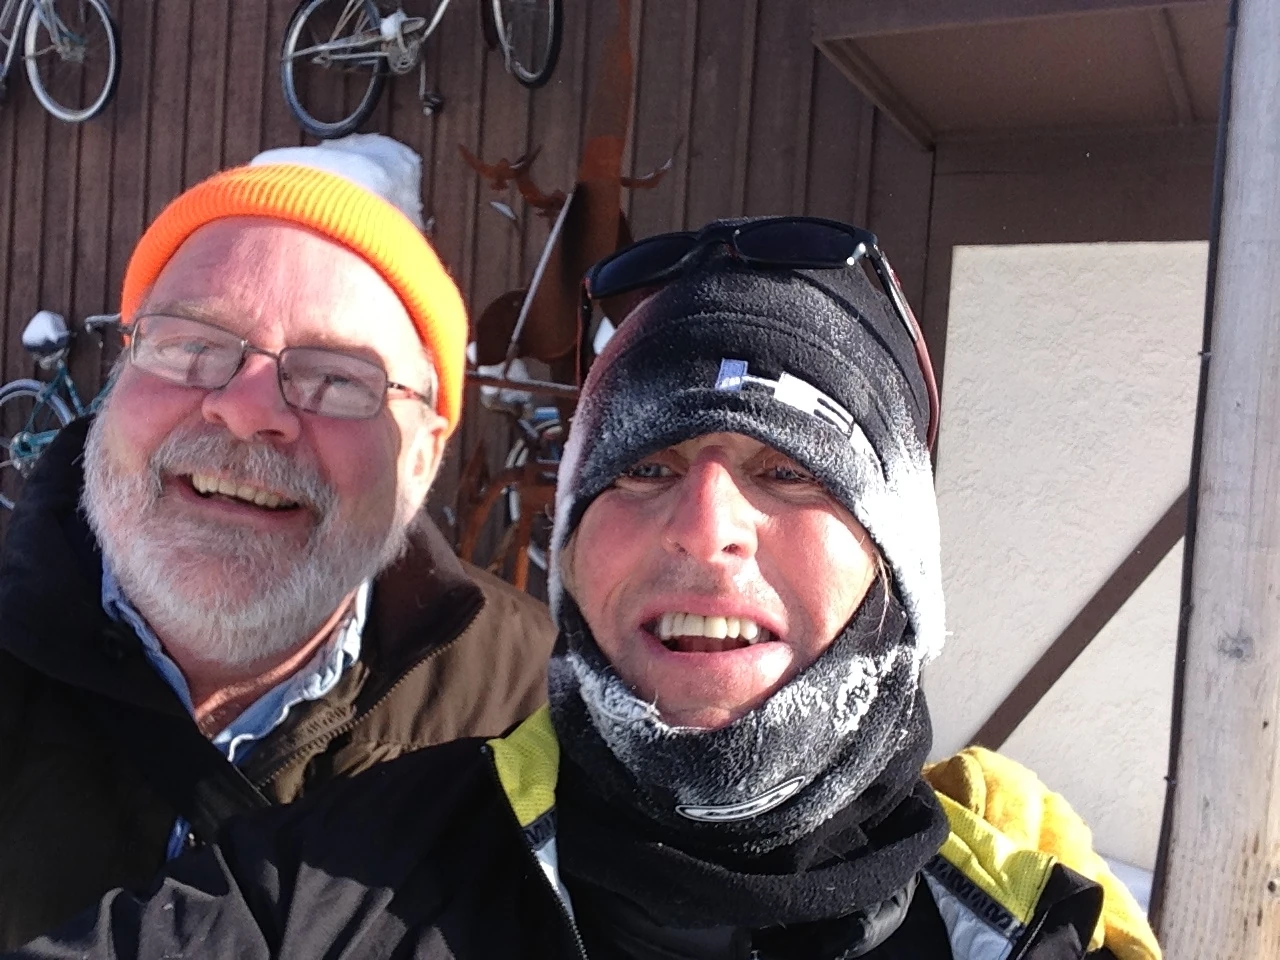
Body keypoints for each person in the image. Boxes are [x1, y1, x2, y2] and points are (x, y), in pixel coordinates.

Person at [6, 217, 1161, 960]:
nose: (706, 529)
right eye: (644, 466)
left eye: (789, 471)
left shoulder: (1020, 922)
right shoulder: (348, 871)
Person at [0, 136, 555, 949]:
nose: (247, 407)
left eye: (336, 377)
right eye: (191, 346)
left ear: (424, 455)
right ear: (121, 379)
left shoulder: (531, 705)